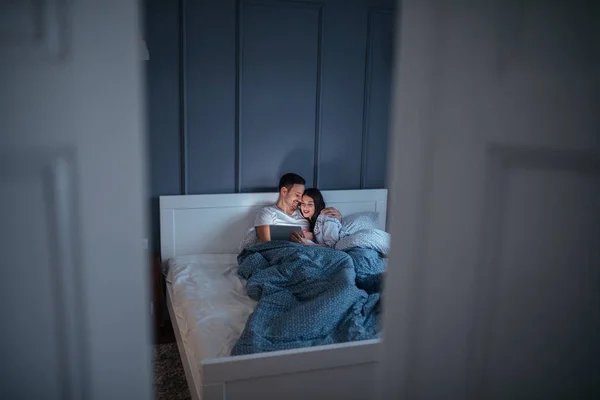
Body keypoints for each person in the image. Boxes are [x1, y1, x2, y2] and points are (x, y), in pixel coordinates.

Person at [254, 174, 342, 242]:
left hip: (308, 251)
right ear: (284, 191)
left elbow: (322, 226)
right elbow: (266, 244)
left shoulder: (304, 212)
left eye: (302, 195)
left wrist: (337, 219)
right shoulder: (267, 213)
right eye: (297, 195)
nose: (300, 200)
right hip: (283, 252)